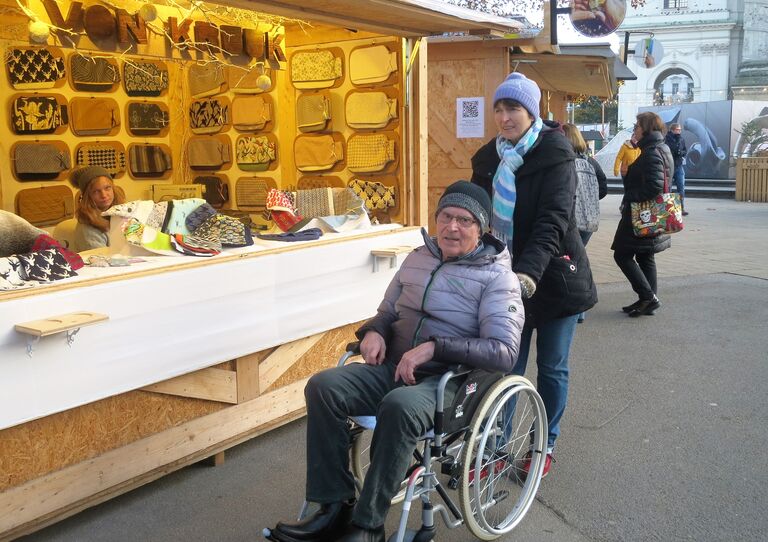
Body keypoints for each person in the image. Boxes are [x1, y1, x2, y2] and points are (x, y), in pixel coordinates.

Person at [267, 181, 525, 542]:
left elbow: (503, 351)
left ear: (481, 229)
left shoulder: (498, 277)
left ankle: (367, 525)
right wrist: (373, 331)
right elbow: (387, 311)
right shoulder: (418, 257)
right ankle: (334, 506)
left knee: (399, 405)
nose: (453, 227)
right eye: (447, 216)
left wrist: (436, 348)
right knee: (323, 386)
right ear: (436, 220)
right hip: (395, 366)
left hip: (451, 382)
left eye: (464, 220)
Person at [470, 73, 597, 477]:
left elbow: (553, 221)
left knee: (552, 367)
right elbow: (475, 213)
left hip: (556, 277)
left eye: (514, 109)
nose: (505, 117)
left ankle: (543, 445)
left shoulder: (556, 154)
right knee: (506, 368)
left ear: (532, 112)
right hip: (507, 280)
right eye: (500, 109)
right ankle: (495, 447)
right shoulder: (488, 158)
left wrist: (527, 274)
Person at [612, 112, 673, 317]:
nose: (635, 129)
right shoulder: (659, 148)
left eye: (637, 126)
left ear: (646, 128)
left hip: (642, 213)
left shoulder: (652, 152)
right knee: (646, 256)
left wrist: (630, 195)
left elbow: (655, 186)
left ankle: (648, 297)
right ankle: (647, 300)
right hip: (650, 213)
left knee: (622, 254)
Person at [562, 123, 607, 323]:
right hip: (589, 221)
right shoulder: (591, 162)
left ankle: (574, 309)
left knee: (568, 262)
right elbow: (603, 188)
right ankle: (580, 310)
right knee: (579, 260)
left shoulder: (564, 161)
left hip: (570, 220)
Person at [69, 166, 125, 252]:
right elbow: (101, 261)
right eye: (96, 191)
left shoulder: (123, 213)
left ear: (113, 189)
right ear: (87, 196)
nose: (104, 195)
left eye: (107, 188)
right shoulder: (87, 229)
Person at [664, 122, 689, 215]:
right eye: (678, 129)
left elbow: (685, 150)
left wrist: (681, 153)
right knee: (668, 188)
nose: (679, 131)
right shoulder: (667, 139)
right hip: (669, 166)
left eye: (680, 130)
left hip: (679, 165)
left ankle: (681, 208)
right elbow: (667, 150)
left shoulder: (681, 139)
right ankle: (667, 209)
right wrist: (676, 150)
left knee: (681, 187)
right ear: (672, 130)